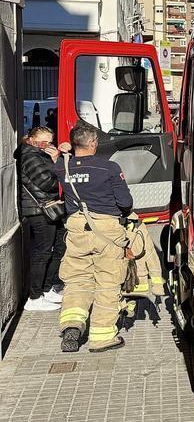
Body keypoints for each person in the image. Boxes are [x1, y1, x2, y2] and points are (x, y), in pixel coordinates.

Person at [54, 124, 134, 353]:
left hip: (77, 231)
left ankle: (72, 325)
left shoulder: (62, 167)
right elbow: (125, 203)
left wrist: (63, 152)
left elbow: (60, 164)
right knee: (107, 282)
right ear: (92, 143)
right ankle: (101, 336)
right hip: (106, 232)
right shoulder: (109, 167)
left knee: (77, 280)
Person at [16, 126, 66, 311]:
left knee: (60, 246)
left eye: (50, 142)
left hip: (49, 208)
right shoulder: (30, 156)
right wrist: (55, 162)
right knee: (42, 253)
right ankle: (35, 298)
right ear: (32, 140)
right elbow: (48, 183)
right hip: (39, 211)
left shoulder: (38, 153)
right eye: (44, 142)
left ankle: (46, 288)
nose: (48, 146)